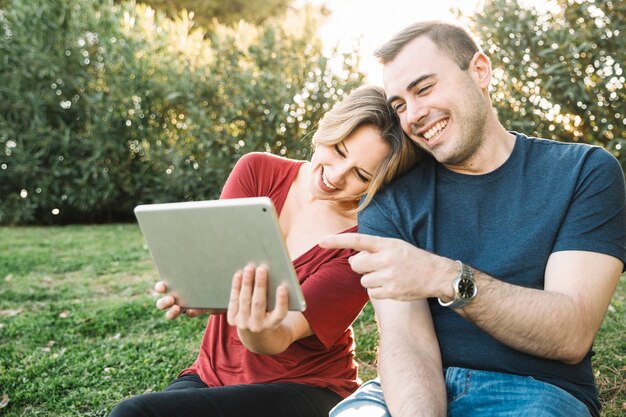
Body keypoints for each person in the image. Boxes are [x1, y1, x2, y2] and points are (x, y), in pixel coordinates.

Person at [320, 21, 626, 417]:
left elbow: (571, 333)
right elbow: (406, 339)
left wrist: (445, 276)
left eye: (424, 88)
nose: (413, 115)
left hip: (534, 394)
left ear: (479, 71)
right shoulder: (389, 202)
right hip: (404, 393)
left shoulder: (583, 172)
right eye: (399, 105)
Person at [108, 85, 422, 417]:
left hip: (305, 388)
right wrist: (198, 291)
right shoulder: (257, 171)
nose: (336, 175)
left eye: (361, 175)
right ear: (328, 129)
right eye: (339, 150)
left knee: (133, 413)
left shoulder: (361, 242)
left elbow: (278, 336)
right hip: (212, 374)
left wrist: (252, 322)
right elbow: (221, 270)